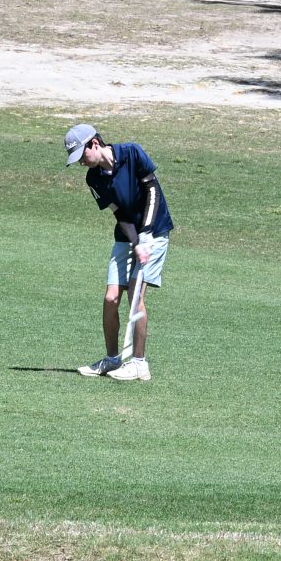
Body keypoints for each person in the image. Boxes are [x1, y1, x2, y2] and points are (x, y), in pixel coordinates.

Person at [65, 123, 174, 381]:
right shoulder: (93, 179)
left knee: (135, 294)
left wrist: (146, 234)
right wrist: (136, 241)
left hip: (156, 231)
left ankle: (139, 363)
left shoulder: (132, 153)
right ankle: (113, 360)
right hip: (128, 236)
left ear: (94, 143)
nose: (81, 162)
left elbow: (153, 191)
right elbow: (120, 215)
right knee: (112, 298)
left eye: (82, 155)